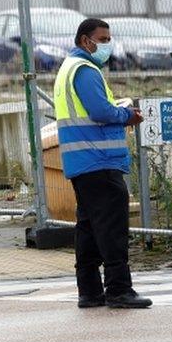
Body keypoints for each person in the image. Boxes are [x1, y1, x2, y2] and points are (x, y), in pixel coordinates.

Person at [54, 18, 151, 309]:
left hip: (82, 160)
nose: (107, 44)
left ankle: (90, 291)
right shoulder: (85, 70)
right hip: (99, 159)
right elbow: (99, 111)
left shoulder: (68, 68)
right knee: (111, 228)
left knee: (88, 227)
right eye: (103, 39)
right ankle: (119, 289)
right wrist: (127, 115)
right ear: (86, 40)